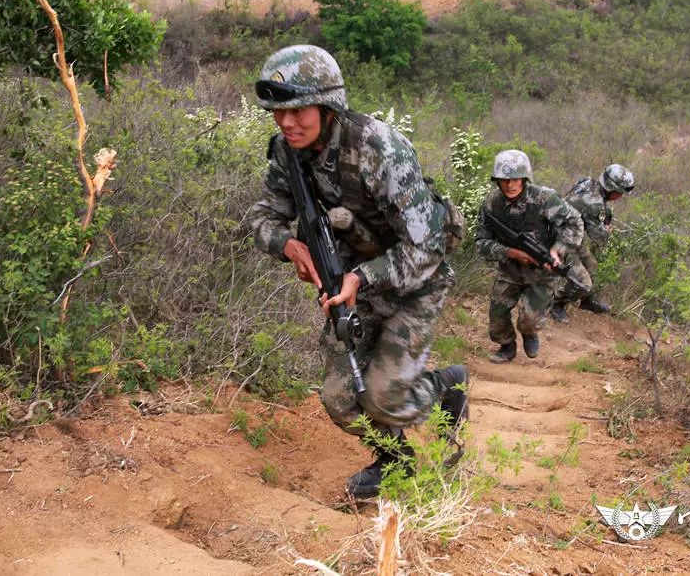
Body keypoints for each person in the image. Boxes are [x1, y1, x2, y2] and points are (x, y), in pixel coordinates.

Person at [247, 45, 468, 500]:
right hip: (349, 285)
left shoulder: (378, 147)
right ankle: (396, 462)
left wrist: (361, 278)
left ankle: (448, 386)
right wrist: (288, 245)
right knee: (341, 399)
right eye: (277, 113)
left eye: (298, 110)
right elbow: (261, 217)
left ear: (328, 106)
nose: (287, 123)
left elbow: (426, 246)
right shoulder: (287, 154)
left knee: (386, 398)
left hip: (414, 279)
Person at [475, 150, 583, 363]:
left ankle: (529, 332)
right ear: (497, 181)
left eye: (515, 179)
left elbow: (575, 223)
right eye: (504, 180)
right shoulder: (492, 204)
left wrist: (557, 250)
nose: (510, 185)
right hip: (510, 268)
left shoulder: (543, 199)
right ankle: (507, 346)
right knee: (497, 319)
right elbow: (481, 242)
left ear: (524, 178)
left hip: (543, 271)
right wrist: (510, 252)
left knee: (529, 320)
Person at [550, 164, 635, 322]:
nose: (620, 197)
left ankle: (587, 301)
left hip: (570, 233)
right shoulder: (596, 205)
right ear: (613, 190)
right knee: (583, 283)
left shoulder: (587, 182)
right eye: (620, 193)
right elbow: (598, 237)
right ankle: (556, 303)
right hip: (561, 240)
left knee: (592, 265)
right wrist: (607, 230)